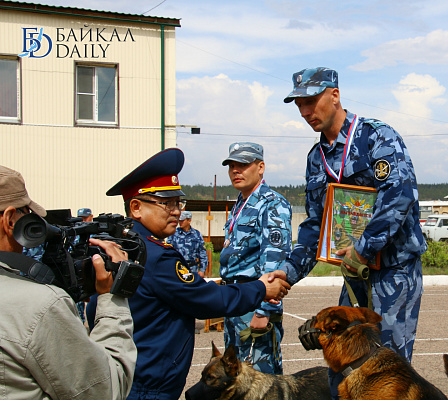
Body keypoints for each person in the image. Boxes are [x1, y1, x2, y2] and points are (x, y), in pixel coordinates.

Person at [86, 147, 291, 400]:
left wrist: (265, 307)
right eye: (167, 203)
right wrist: (261, 290)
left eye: (177, 203)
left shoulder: (121, 247)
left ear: (260, 167)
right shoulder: (156, 255)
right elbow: (204, 299)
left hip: (127, 372)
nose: (176, 211)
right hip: (148, 384)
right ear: (136, 208)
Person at [281, 67, 427, 398]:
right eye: (299, 105)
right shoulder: (317, 159)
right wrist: (287, 273)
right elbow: (315, 225)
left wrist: (362, 249)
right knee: (343, 369)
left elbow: (399, 197)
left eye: (311, 101)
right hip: (354, 276)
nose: (304, 111)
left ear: (334, 95)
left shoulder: (377, 137)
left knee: (386, 373)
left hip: (393, 272)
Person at [0, 165, 136, 399]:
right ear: (11, 220)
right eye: (26, 214)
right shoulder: (39, 307)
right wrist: (112, 297)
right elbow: (105, 391)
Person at [220, 142, 292, 375]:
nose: (235, 170)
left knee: (260, 378)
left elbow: (275, 261)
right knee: (236, 378)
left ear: (260, 167)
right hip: (235, 300)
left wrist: (264, 310)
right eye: (231, 165)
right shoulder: (241, 203)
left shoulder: (272, 203)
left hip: (255, 302)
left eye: (243, 165)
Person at [167, 210, 209, 277]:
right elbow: (168, 251)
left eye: (182, 220)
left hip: (192, 269)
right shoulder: (173, 233)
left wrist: (202, 270)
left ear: (189, 221)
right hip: (177, 269)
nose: (180, 222)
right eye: (179, 220)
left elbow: (202, 253)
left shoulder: (196, 234)